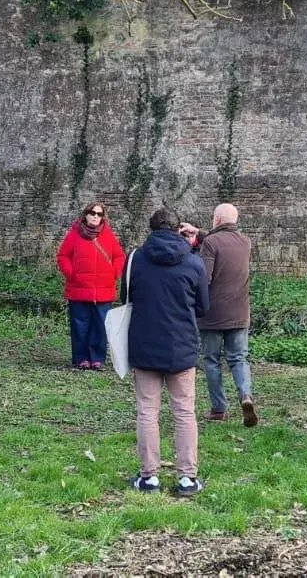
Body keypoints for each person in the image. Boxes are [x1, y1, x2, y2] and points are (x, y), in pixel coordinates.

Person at [126, 208, 210, 496]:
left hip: (144, 343)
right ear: (178, 229)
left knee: (147, 412)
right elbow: (203, 307)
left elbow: (125, 296)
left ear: (150, 229)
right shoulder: (194, 262)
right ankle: (187, 478)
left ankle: (149, 477)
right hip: (181, 346)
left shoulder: (135, 259)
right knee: (184, 411)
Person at [195, 203, 257, 427]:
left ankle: (219, 409)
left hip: (212, 313)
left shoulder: (210, 243)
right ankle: (246, 396)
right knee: (239, 358)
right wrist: (199, 233)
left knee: (212, 360)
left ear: (217, 220)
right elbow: (224, 242)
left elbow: (205, 278)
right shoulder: (245, 241)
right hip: (239, 312)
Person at [56, 202, 124, 370]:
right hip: (79, 289)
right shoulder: (74, 235)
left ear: (102, 217)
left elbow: (119, 257)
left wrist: (114, 273)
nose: (95, 216)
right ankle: (81, 358)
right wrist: (72, 274)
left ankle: (97, 358)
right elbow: (63, 256)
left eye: (99, 214)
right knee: (80, 326)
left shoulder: (108, 235)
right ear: (85, 215)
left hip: (103, 291)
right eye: (92, 212)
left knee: (100, 326)